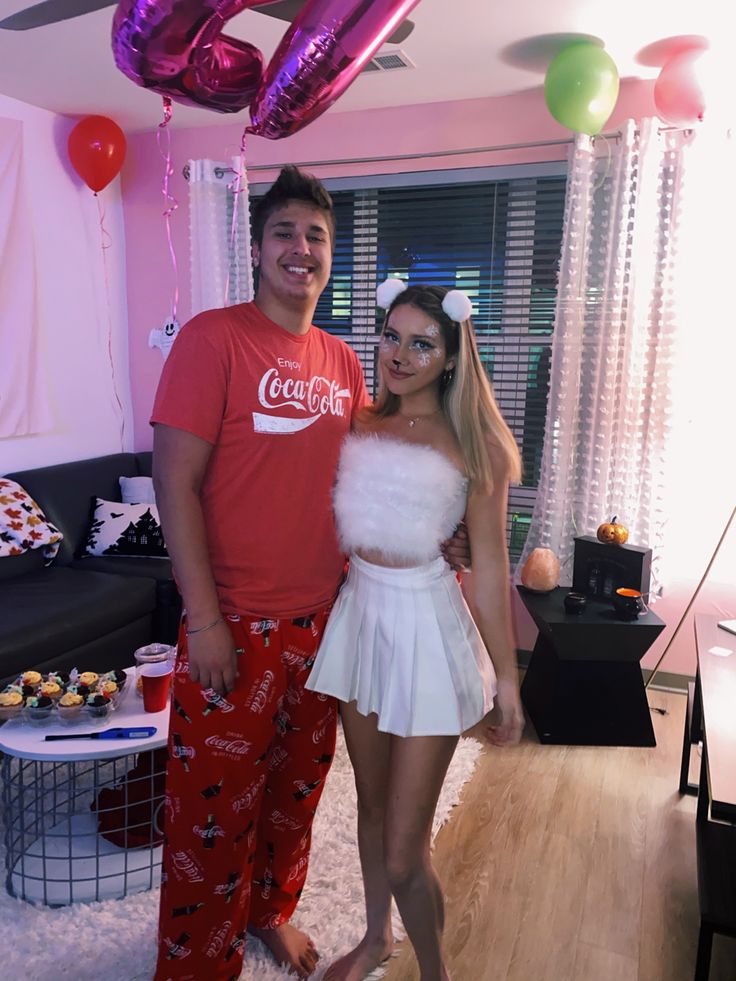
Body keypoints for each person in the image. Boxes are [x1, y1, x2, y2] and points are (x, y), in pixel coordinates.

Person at [150, 169, 468, 981]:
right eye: (285, 233)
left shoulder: (342, 360)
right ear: (257, 248)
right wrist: (209, 621)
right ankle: (195, 964)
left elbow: (380, 466)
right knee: (210, 813)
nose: (301, 249)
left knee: (292, 801)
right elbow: (174, 483)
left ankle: (268, 914)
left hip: (329, 624)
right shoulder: (211, 339)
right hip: (236, 622)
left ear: (331, 258)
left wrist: (447, 524)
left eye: (316, 237)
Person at [305, 279, 525, 981]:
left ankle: (436, 972)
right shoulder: (360, 420)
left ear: (451, 356)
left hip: (425, 629)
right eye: (391, 335)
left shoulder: (476, 444)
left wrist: (509, 679)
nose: (399, 354)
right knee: (369, 808)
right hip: (361, 617)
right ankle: (376, 937)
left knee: (405, 851)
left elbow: (489, 572)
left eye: (421, 342)